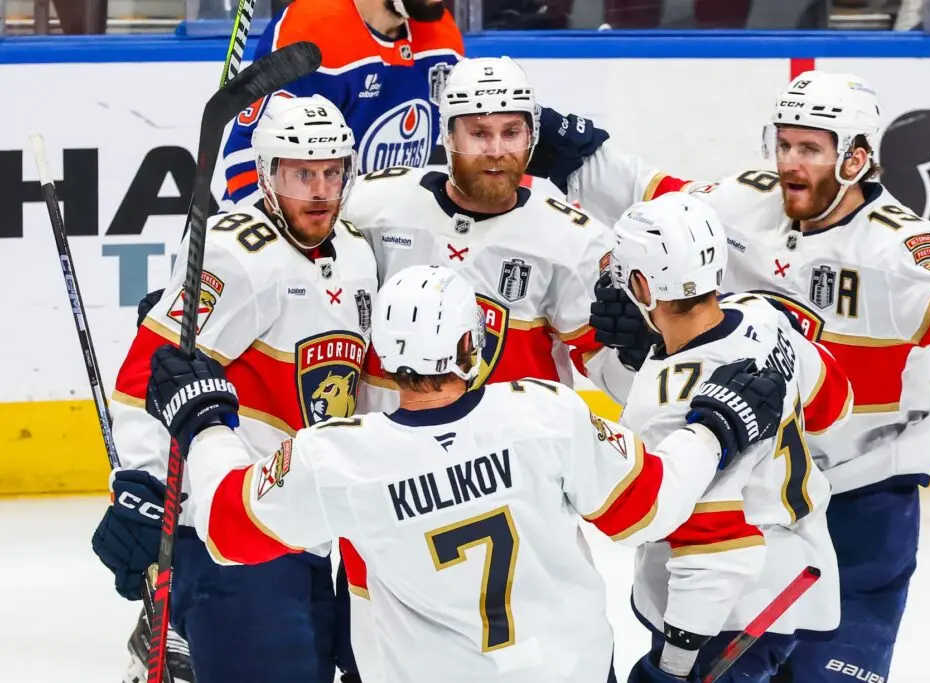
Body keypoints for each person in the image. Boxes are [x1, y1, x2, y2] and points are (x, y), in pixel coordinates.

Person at [525, 70, 930, 682]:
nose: (790, 162)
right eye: (784, 143)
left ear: (856, 158)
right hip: (760, 493)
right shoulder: (745, 200)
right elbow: (655, 197)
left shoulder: (898, 248)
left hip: (864, 501)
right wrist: (577, 153)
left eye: (810, 149)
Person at [143, 263, 790, 683]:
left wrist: (203, 419)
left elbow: (229, 526)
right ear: (470, 345)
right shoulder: (547, 414)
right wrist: (714, 426)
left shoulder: (338, 457)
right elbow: (651, 505)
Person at [91, 96, 383, 683]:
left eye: (333, 171)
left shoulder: (355, 252)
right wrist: (146, 492)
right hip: (233, 531)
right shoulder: (234, 253)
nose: (321, 189)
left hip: (315, 527)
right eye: (303, 173)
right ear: (269, 173)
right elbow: (147, 376)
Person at [606, 194, 851, 682]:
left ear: (641, 283)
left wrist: (675, 665)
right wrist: (658, 349)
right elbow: (834, 404)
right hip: (799, 573)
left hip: (727, 612)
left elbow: (716, 544)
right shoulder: (760, 314)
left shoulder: (669, 400)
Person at [342, 56, 637, 410]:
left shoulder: (574, 241)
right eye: (479, 134)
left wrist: (633, 353)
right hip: (393, 455)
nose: (497, 151)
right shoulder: (371, 207)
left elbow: (618, 383)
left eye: (511, 133)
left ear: (533, 135)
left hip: (513, 459)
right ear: (448, 136)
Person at [222, 0, 464, 205]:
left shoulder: (440, 29)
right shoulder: (312, 29)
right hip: (300, 229)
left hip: (386, 230)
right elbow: (245, 154)